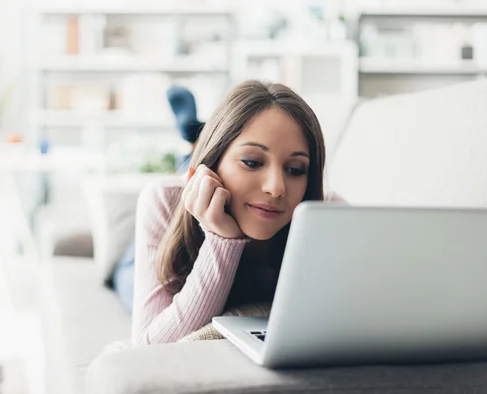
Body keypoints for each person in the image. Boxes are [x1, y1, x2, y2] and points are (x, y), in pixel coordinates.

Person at [132, 80, 344, 347]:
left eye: (295, 169)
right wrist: (222, 240)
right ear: (213, 162)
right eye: (252, 162)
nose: (277, 188)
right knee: (126, 277)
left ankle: (194, 134)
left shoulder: (328, 215)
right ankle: (192, 137)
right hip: (159, 247)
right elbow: (148, 349)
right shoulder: (164, 199)